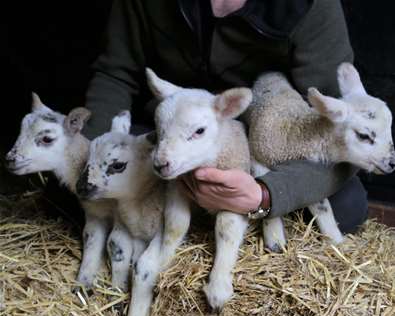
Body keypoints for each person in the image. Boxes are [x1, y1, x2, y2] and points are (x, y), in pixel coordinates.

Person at [83, 0, 368, 233]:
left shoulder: (313, 5)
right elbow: (115, 73)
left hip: (264, 151)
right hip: (165, 141)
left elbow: (347, 129)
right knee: (72, 193)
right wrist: (89, 160)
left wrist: (265, 196)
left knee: (347, 207)